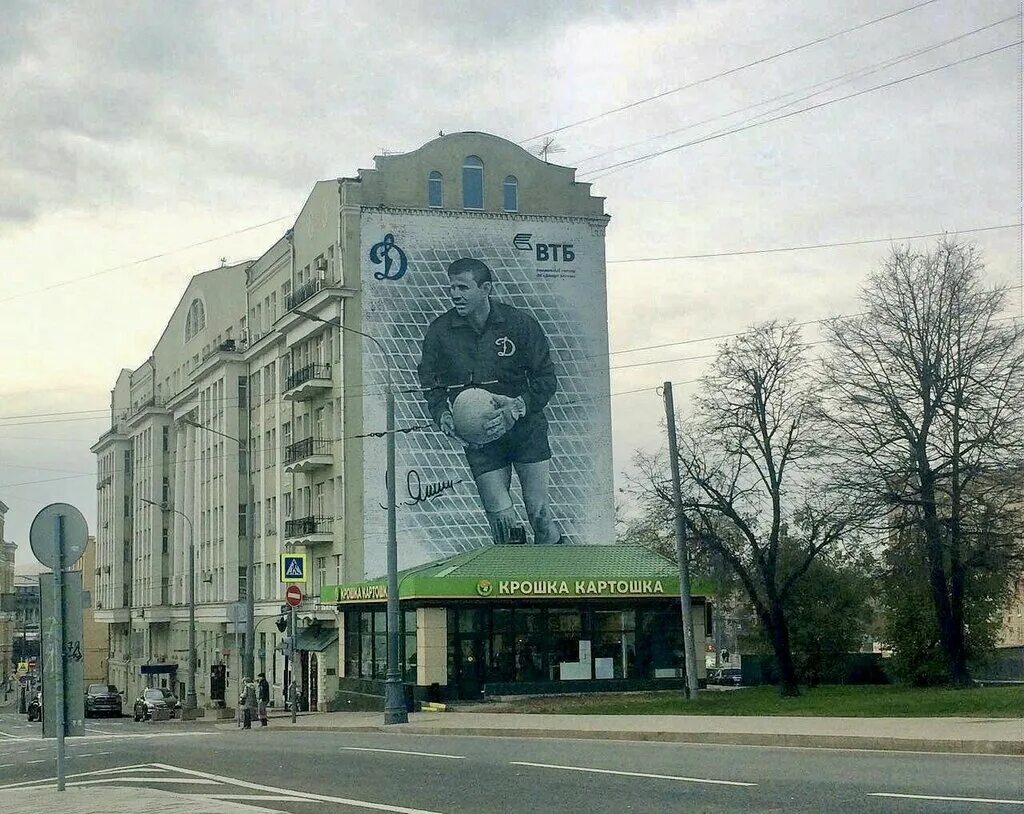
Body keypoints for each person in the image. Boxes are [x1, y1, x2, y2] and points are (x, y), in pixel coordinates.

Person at [418, 257, 563, 545]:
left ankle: (558, 575)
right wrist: (443, 414)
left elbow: (546, 379)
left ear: (486, 289)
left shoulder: (520, 324)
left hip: (525, 431)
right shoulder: (440, 331)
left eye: (463, 287)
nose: (455, 294)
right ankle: (516, 584)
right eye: (452, 288)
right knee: (502, 522)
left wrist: (516, 408)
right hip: (481, 438)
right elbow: (430, 383)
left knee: (539, 514)